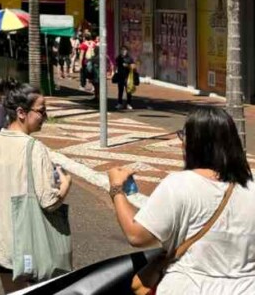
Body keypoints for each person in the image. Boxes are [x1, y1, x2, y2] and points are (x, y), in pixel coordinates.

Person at [107, 107, 254, 295]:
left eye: (184, 135)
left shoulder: (179, 184)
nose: (182, 142)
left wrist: (116, 189)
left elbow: (136, 236)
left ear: (195, 143)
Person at [0, 84, 72, 293]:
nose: (45, 116)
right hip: (26, 243)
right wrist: (65, 185)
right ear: (21, 112)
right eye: (41, 111)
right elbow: (49, 202)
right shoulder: (34, 148)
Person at [113, 45, 138, 110]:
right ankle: (119, 103)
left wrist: (128, 66)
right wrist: (114, 72)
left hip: (128, 76)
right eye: (122, 50)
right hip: (120, 76)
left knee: (128, 90)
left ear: (127, 51)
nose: (123, 51)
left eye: (125, 50)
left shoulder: (129, 58)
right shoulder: (119, 58)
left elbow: (134, 67)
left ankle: (128, 104)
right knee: (120, 90)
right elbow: (116, 65)